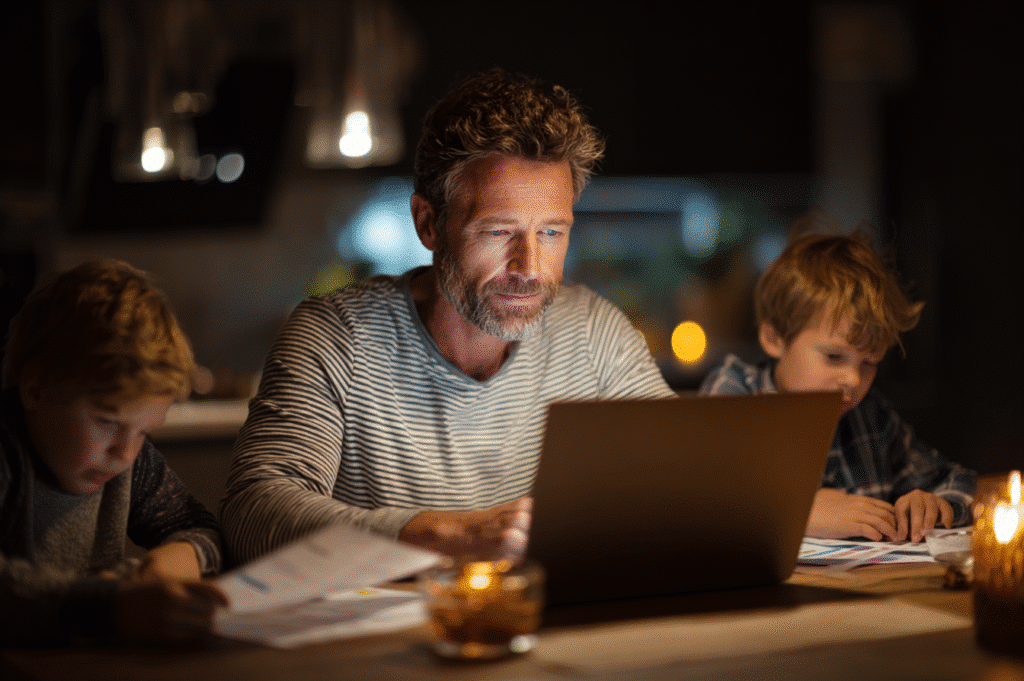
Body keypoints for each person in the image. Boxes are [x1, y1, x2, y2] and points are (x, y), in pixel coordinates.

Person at [220, 68, 675, 566]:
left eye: (551, 233)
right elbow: (252, 513)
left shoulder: (593, 333)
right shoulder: (337, 337)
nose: (529, 269)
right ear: (428, 223)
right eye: (499, 232)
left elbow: (687, 476)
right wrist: (451, 534)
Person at [699, 225, 976, 543]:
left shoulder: (870, 414)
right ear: (774, 338)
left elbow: (958, 479)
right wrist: (800, 513)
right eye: (833, 356)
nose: (854, 379)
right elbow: (701, 500)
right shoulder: (734, 393)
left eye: (869, 362)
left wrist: (937, 506)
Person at [0, 260, 227, 645]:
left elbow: (200, 527)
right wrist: (108, 606)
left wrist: (183, 553)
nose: (125, 453)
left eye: (144, 431)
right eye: (106, 421)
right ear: (36, 389)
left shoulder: (133, 466)